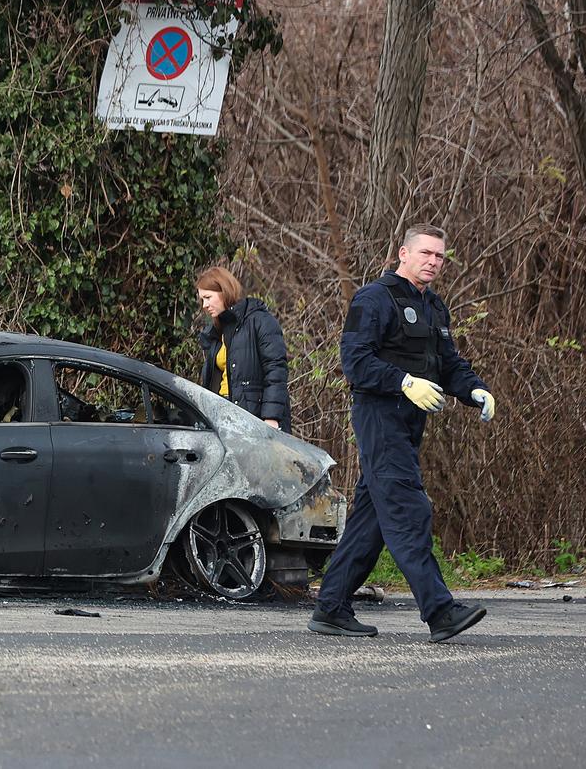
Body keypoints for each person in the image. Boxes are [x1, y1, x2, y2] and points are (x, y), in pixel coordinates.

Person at [308, 224, 496, 643]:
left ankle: (331, 606)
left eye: (440, 256)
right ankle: (441, 611)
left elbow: (448, 364)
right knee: (409, 510)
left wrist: (474, 389)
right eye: (425, 253)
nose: (433, 262)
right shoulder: (374, 299)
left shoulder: (434, 307)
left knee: (373, 520)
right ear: (403, 253)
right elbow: (356, 363)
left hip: (410, 423)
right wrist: (404, 381)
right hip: (380, 417)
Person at [195, 265, 290, 432]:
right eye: (202, 299)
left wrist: (271, 418)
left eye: (208, 297)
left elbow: (276, 370)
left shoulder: (260, 320)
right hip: (221, 417)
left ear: (224, 291)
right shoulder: (217, 332)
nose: (204, 305)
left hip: (253, 420)